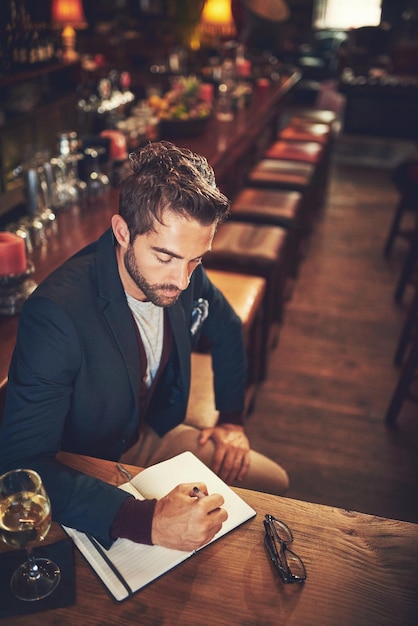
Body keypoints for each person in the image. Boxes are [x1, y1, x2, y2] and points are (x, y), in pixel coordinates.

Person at [0, 141, 288, 551]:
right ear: (122, 232)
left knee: (274, 483)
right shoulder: (55, 314)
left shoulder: (182, 270)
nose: (183, 280)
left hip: (150, 432)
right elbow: (21, 465)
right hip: (83, 467)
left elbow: (226, 328)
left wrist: (232, 419)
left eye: (196, 260)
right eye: (166, 257)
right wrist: (146, 522)